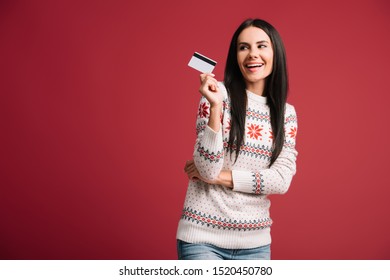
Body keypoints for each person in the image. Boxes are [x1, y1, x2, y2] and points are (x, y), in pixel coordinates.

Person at [176, 18, 298, 260]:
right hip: (202, 240)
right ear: (236, 56)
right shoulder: (216, 95)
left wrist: (219, 178)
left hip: (256, 244)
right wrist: (215, 108)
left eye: (261, 46)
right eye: (244, 47)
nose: (253, 54)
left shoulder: (287, 114)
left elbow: (281, 180)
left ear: (276, 53)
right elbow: (207, 168)